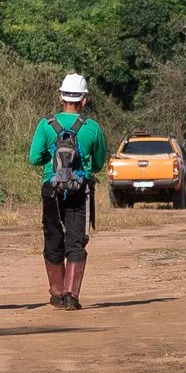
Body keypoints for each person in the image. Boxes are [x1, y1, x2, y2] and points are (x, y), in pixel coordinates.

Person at [28, 72, 106, 310]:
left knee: (53, 237)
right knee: (76, 241)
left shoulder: (46, 124)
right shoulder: (92, 128)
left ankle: (56, 293)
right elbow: (100, 163)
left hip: (50, 188)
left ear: (60, 97)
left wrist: (49, 158)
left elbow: (33, 158)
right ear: (84, 100)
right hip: (79, 190)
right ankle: (71, 295)